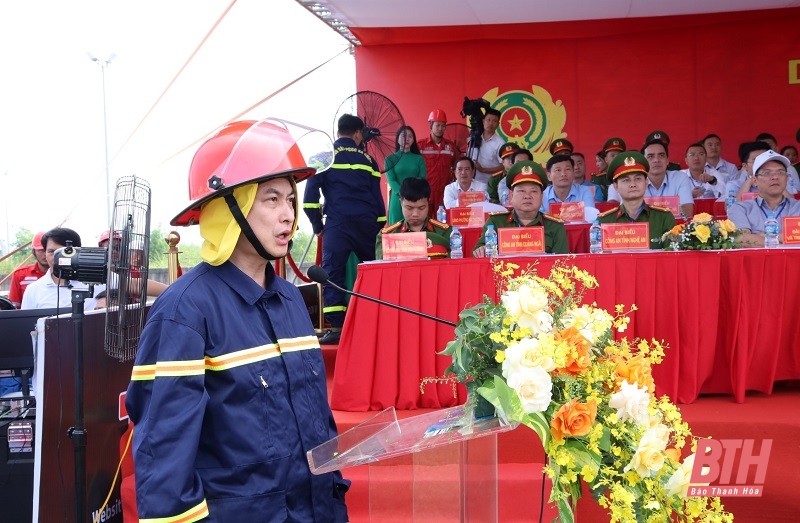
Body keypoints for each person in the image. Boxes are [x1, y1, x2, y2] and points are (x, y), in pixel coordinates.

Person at [127, 118, 349, 522]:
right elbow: (164, 457)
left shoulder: (290, 300)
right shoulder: (184, 313)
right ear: (230, 208)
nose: (289, 216)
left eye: (291, 199)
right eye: (271, 199)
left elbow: (317, 420)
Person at [304, 114, 385, 345]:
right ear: (358, 133)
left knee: (333, 273)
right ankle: (376, 320)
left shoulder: (324, 157)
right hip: (366, 223)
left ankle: (337, 327)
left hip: (337, 224)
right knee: (373, 270)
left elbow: (310, 200)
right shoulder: (370, 161)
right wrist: (378, 227)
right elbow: (378, 202)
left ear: (338, 132)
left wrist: (318, 226)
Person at [472, 161, 568, 256]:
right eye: (521, 191)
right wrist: (481, 250)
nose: (527, 196)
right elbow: (477, 254)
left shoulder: (555, 226)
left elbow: (562, 263)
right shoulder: (496, 222)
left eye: (534, 191)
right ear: (512, 196)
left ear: (542, 196)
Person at [598, 151, 676, 249]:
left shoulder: (664, 218)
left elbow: (672, 257)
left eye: (638, 178)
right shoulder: (604, 221)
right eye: (626, 180)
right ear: (616, 186)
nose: (633, 184)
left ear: (646, 182)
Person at [728, 150, 800, 247]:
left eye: (780, 172)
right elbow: (741, 238)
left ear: (786, 179)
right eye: (767, 173)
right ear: (755, 181)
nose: (775, 177)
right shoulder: (740, 208)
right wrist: (781, 237)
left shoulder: (797, 206)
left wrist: (762, 236)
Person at [20, 227, 104, 310]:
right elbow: (26, 322)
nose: (57, 258)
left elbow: (116, 283)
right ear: (45, 254)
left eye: (63, 252)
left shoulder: (100, 282)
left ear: (78, 252)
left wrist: (108, 297)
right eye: (51, 252)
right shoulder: (33, 290)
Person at [609, 139, 694, 218]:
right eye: (650, 156)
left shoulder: (680, 177)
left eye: (661, 155)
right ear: (644, 162)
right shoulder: (635, 181)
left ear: (667, 160)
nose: (656, 160)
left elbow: (687, 212)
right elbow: (628, 214)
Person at [375, 178, 452, 259]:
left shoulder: (445, 232)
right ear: (401, 203)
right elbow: (382, 269)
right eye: (409, 208)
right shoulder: (386, 236)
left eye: (421, 208)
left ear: (428, 203)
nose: (415, 214)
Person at [417, 109, 458, 216]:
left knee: (443, 223)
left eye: (443, 125)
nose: (440, 128)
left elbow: (457, 166)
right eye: (437, 125)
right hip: (426, 192)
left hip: (445, 193)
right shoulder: (420, 146)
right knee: (426, 223)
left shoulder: (451, 147)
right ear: (431, 125)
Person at [384, 125, 426, 224]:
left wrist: (412, 196)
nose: (406, 139)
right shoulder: (390, 159)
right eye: (403, 136)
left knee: (415, 232)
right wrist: (403, 195)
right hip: (398, 198)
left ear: (413, 140)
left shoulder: (419, 159)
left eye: (410, 136)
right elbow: (392, 180)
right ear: (397, 138)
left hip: (416, 199)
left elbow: (422, 179)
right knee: (396, 231)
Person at [7, 231, 47, 308]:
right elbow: (14, 307)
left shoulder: (64, 275)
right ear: (33, 252)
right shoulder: (20, 274)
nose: (45, 254)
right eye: (41, 250)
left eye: (49, 250)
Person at [470, 107, 504, 184]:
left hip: (489, 184)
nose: (490, 123)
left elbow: (503, 166)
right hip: (471, 183)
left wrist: (483, 170)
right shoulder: (474, 138)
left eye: (494, 121)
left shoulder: (500, 143)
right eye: (488, 120)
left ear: (498, 124)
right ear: (483, 121)